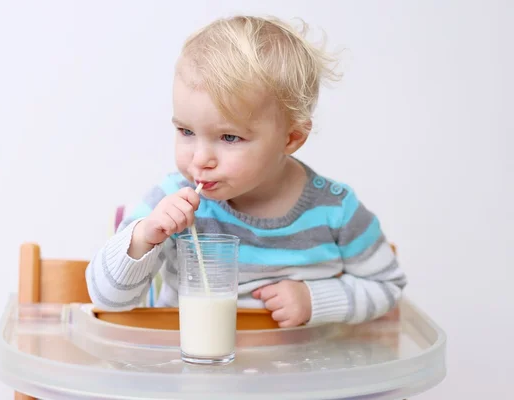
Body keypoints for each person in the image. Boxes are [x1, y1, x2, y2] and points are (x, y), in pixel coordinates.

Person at [86, 15, 407, 328]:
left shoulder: (335, 211)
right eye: (186, 131)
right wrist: (143, 237)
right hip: (190, 375)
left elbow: (388, 286)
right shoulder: (170, 202)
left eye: (229, 137)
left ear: (291, 138)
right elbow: (107, 299)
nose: (200, 158)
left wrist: (314, 300)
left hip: (295, 378)